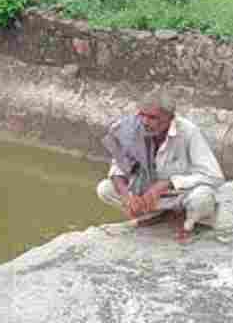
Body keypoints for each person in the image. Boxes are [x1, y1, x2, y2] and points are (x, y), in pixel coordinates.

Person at [96, 88, 224, 242]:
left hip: (179, 196)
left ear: (170, 118)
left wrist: (168, 183)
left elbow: (214, 176)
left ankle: (187, 222)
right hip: (147, 196)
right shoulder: (130, 128)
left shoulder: (188, 132)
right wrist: (127, 197)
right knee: (105, 188)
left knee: (202, 198)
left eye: (152, 117)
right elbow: (117, 169)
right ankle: (153, 216)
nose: (144, 122)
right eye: (142, 115)